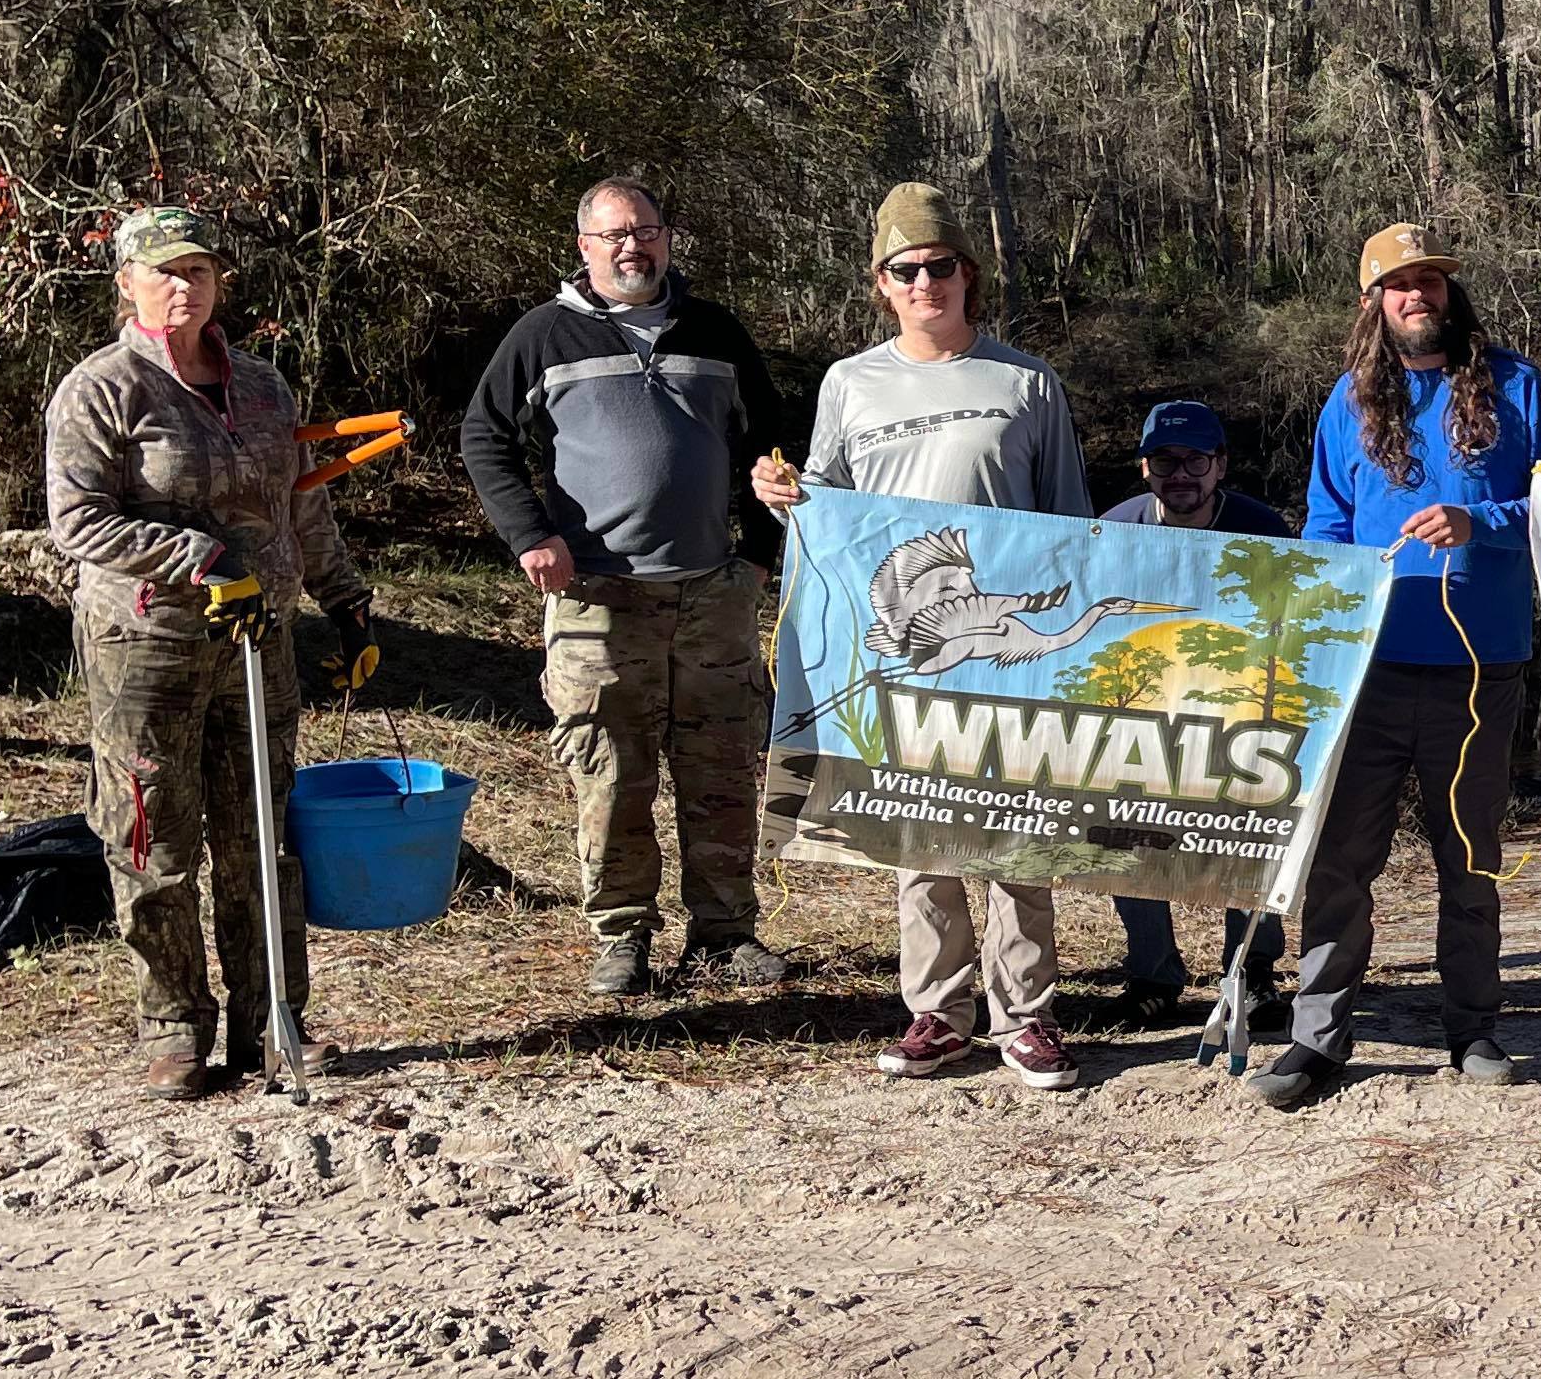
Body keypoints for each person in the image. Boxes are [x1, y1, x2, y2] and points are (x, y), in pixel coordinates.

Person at [748, 183, 1091, 1082]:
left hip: (1007, 642)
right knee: (922, 830)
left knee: (1020, 827)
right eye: (907, 270)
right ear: (882, 284)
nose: (925, 282)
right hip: (900, 645)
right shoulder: (849, 383)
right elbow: (821, 509)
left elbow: (1074, 523)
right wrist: (778, 496)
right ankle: (938, 1012)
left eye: (941, 266)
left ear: (968, 275)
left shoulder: (1026, 381)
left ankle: (1028, 1015)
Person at [45, 206, 379, 1098]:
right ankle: (173, 1027)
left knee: (262, 837)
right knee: (152, 835)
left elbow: (299, 503)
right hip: (147, 640)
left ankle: (274, 1022)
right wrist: (197, 556)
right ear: (127, 284)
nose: (183, 287)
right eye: (164, 273)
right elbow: (78, 520)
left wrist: (345, 601)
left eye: (198, 271)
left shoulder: (264, 386)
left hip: (256, 642)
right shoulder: (101, 388)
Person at [1266, 222, 1541, 1110]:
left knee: (1468, 860)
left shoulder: (1518, 389)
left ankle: (1473, 1026)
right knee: (1338, 863)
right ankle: (1318, 1036)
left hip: (1480, 671)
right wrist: (1320, 633)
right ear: (1374, 302)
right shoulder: (1348, 402)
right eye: (1400, 286)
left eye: (1431, 282)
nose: (1418, 297)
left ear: (1451, 293)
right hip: (1367, 673)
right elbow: (1326, 525)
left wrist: (1483, 523)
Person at [462, 176, 793, 1003]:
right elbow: (484, 435)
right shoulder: (544, 335)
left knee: (719, 769)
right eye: (613, 235)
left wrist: (759, 552)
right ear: (584, 247)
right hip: (598, 598)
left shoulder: (713, 330)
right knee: (612, 774)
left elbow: (772, 443)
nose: (630, 247)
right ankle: (623, 936)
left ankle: (725, 932)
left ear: (667, 238)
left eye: (644, 231)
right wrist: (530, 535)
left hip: (710, 595)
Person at [1097, 397, 1293, 1024]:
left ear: (1221, 465)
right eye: (1164, 460)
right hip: (1143, 709)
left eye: (1195, 460)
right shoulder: (1114, 528)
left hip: (1241, 707)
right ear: (1145, 466)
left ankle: (1253, 972)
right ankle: (1150, 976)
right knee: (1129, 835)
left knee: (1255, 833)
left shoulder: (1263, 527)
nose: (1180, 474)